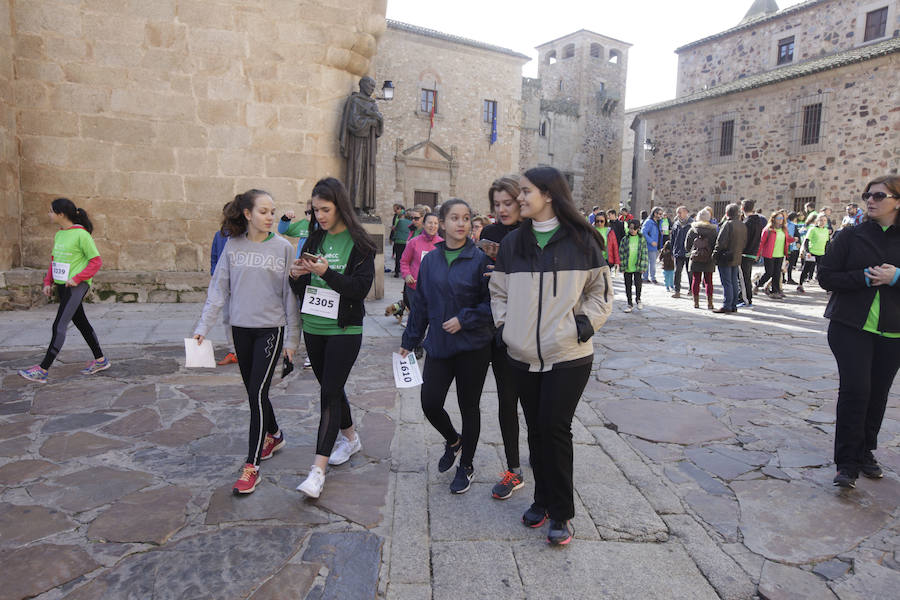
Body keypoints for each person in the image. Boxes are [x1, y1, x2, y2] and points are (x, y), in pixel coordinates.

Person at [489, 166, 613, 546]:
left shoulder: (583, 239)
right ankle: (541, 500)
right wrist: (506, 327)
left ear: (549, 194)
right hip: (522, 354)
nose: (519, 198)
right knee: (537, 429)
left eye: (526, 191)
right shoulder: (514, 243)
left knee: (555, 429)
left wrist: (582, 326)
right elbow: (499, 291)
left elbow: (600, 293)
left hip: (569, 355)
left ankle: (561, 512)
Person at [193, 189, 299, 495]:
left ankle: (251, 466)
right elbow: (218, 289)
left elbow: (289, 296)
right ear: (247, 214)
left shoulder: (283, 247)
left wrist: (292, 339)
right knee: (256, 391)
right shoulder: (232, 245)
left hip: (270, 330)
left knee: (256, 393)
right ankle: (274, 434)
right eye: (263, 211)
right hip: (240, 329)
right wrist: (203, 327)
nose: (270, 217)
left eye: (272, 211)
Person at [400, 198, 493, 495]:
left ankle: (466, 465)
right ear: (441, 223)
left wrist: (464, 319)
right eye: (455, 218)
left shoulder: (481, 260)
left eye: (466, 218)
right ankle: (454, 440)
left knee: (469, 407)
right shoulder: (431, 261)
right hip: (440, 344)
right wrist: (409, 340)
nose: (461, 223)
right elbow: (421, 303)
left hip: (472, 347)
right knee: (430, 402)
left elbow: (493, 304)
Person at [291, 178, 377, 499]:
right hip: (314, 326)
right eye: (316, 210)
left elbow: (359, 289)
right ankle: (351, 438)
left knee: (328, 393)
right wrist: (295, 276)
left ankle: (317, 471)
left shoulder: (361, 244)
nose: (320, 216)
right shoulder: (315, 238)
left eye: (325, 209)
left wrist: (326, 272)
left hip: (344, 329)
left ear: (340, 206)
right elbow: (302, 288)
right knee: (333, 388)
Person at [818, 175, 900, 489]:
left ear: (897, 201)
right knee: (856, 390)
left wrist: (896, 277)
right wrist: (863, 278)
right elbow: (826, 276)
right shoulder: (850, 235)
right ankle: (847, 463)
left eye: (879, 196)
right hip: (850, 326)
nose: (871, 201)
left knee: (877, 394)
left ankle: (865, 452)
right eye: (868, 195)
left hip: (893, 331)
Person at [19, 199, 108, 384]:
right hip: (62, 285)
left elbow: (96, 262)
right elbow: (55, 260)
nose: (49, 214)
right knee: (81, 322)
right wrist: (48, 282)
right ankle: (100, 360)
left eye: (51, 211)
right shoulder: (60, 234)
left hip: (76, 286)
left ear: (61, 214)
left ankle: (43, 370)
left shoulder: (82, 235)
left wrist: (77, 278)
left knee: (59, 325)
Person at [481, 177, 527, 500]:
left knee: (535, 403)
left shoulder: (531, 234)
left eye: (507, 203)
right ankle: (514, 468)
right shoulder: (489, 233)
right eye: (497, 204)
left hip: (532, 329)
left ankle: (538, 451)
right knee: (506, 400)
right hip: (499, 328)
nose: (502, 210)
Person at [400, 212, 442, 351]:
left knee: (434, 316)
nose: (432, 226)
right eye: (430, 222)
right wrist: (406, 275)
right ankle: (416, 345)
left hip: (434, 289)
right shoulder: (414, 242)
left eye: (435, 223)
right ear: (424, 224)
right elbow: (404, 261)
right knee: (417, 316)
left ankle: (432, 343)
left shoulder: (442, 244)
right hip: (415, 287)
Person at [210, 211, 237, 366]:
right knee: (227, 317)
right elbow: (214, 256)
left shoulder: (244, 238)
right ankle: (233, 350)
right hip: (224, 283)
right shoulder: (219, 235)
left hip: (239, 284)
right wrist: (215, 273)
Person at [712, 204, 747, 313]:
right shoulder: (742, 225)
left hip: (725, 256)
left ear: (727, 213)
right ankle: (733, 305)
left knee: (727, 282)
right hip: (736, 256)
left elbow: (721, 242)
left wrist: (715, 254)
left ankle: (727, 305)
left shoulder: (728, 224)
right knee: (733, 281)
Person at [755, 212, 795, 299]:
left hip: (780, 254)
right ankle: (757, 284)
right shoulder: (768, 230)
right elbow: (761, 242)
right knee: (769, 273)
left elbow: (787, 239)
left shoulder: (784, 229)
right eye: (778, 218)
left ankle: (775, 291)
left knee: (777, 273)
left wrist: (793, 239)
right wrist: (757, 254)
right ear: (773, 219)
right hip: (769, 254)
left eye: (782, 218)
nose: (780, 220)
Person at [685, 208, 717, 310]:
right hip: (709, 258)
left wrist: (692, 251)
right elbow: (716, 244)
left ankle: (696, 302)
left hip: (696, 257)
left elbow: (687, 245)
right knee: (709, 281)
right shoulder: (713, 231)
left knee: (696, 279)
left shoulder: (692, 230)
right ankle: (710, 303)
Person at [739, 200, 767, 307]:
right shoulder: (758, 221)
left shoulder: (746, 223)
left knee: (744, 278)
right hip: (753, 252)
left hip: (746, 252)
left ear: (742, 208)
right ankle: (745, 297)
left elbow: (744, 240)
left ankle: (746, 298)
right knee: (746, 276)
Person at [620, 219, 648, 312]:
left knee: (638, 284)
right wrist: (622, 266)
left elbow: (644, 253)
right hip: (627, 266)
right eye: (630, 228)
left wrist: (643, 266)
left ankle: (638, 299)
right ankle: (629, 303)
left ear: (638, 229)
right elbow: (621, 253)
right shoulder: (625, 239)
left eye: (634, 228)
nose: (632, 230)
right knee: (627, 285)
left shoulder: (641, 239)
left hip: (638, 266)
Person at [797, 214, 830, 293]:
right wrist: (807, 252)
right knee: (806, 269)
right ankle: (800, 285)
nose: (822, 222)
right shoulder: (812, 229)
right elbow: (806, 241)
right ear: (817, 221)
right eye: (821, 220)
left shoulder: (826, 230)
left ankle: (827, 287)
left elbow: (827, 243)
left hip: (821, 253)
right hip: (812, 253)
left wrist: (827, 252)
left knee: (822, 270)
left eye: (824, 220)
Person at [669, 206, 692, 298]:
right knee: (677, 271)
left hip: (689, 252)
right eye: (677, 213)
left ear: (686, 212)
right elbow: (672, 239)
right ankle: (677, 291)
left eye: (680, 212)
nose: (678, 214)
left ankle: (691, 289)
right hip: (678, 252)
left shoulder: (692, 224)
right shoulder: (676, 224)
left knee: (690, 272)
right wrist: (672, 252)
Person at [641, 207, 663, 283]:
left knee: (652, 263)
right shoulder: (649, 222)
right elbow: (643, 232)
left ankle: (647, 277)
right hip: (649, 245)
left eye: (661, 214)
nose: (660, 215)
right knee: (650, 263)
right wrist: (651, 241)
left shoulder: (659, 222)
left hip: (656, 246)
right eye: (659, 213)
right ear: (654, 213)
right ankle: (649, 277)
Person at [391, 209, 412, 277]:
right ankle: (405, 271)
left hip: (399, 241)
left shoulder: (400, 221)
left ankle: (397, 272)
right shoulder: (412, 223)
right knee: (407, 257)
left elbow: (396, 228)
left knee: (398, 257)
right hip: (407, 242)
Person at [785, 212, 802, 285]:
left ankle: (783, 278)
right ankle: (789, 278)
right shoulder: (793, 225)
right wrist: (798, 242)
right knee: (790, 263)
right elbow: (797, 235)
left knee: (784, 263)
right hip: (791, 246)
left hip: (784, 245)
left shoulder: (783, 224)